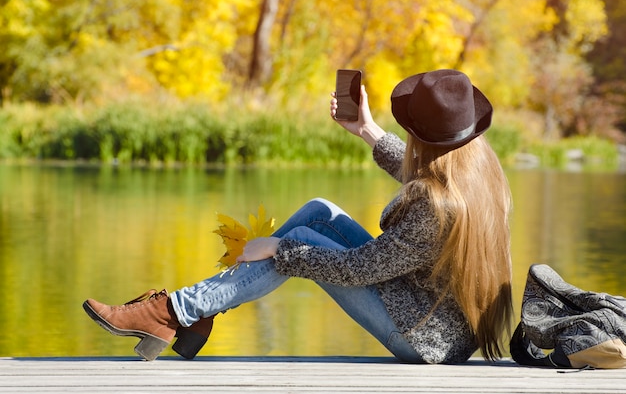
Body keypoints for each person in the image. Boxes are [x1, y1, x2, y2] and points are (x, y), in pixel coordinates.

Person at [83, 69, 513, 364]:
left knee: (306, 235)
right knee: (320, 212)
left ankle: (177, 312)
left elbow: (358, 269)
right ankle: (190, 312)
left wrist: (281, 248)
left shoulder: (434, 210)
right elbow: (427, 172)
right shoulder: (478, 176)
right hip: (437, 317)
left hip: (425, 338)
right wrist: (367, 130)